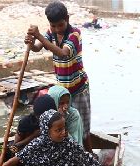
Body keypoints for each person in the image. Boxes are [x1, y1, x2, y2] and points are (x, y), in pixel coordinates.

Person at [24, 1, 93, 152]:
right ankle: (68, 152)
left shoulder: (75, 33)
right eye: (53, 26)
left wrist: (39, 36)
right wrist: (31, 42)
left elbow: (63, 53)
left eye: (60, 25)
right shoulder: (51, 33)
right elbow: (38, 47)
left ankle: (89, 153)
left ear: (67, 19)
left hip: (78, 87)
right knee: (62, 124)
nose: (56, 29)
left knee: (83, 124)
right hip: (62, 91)